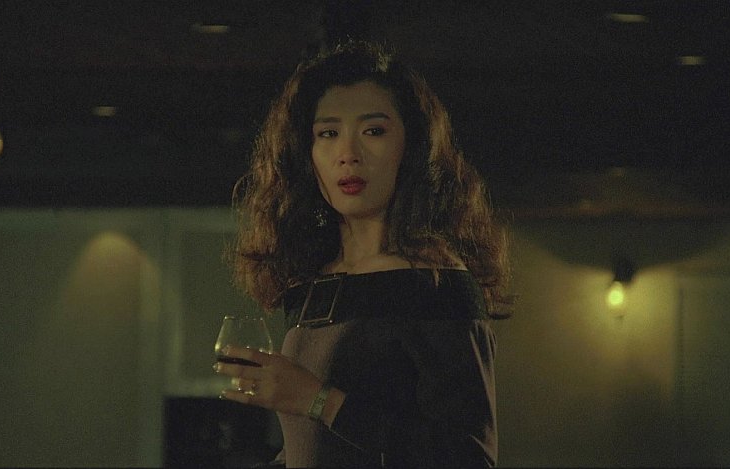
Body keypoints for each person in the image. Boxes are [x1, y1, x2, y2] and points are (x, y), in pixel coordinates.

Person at [214, 40, 511, 467]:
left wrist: (319, 400)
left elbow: (469, 458)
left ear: (413, 147)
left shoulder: (435, 283)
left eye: (373, 131)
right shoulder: (311, 284)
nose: (348, 155)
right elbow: (311, 447)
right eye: (328, 134)